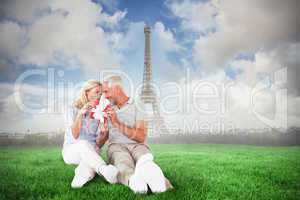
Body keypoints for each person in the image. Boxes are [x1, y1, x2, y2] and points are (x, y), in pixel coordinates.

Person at [100, 75, 173, 193]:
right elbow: (101, 141)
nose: (105, 95)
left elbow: (141, 137)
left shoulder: (138, 104)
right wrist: (102, 134)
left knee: (144, 159)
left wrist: (117, 122)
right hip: (116, 146)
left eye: (106, 91)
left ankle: (159, 182)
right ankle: (134, 181)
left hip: (137, 145)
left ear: (117, 88)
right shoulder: (105, 109)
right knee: (122, 164)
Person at [62, 80, 119, 188]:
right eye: (97, 92)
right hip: (72, 151)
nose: (100, 96)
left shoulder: (100, 112)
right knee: (83, 144)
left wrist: (104, 133)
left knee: (88, 164)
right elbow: (74, 135)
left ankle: (79, 181)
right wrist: (80, 115)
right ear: (86, 92)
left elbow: (99, 144)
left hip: (92, 150)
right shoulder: (71, 109)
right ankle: (103, 169)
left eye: (101, 93)